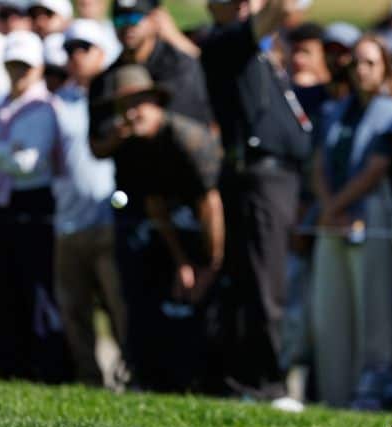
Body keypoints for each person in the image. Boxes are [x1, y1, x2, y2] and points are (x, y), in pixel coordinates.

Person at [88, 0, 213, 390]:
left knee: (186, 299)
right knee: (136, 300)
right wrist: (120, 134)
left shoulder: (181, 67)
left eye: (134, 16)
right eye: (119, 17)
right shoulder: (108, 76)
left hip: (184, 204)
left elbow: (199, 140)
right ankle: (143, 378)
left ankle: (191, 382)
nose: (126, 25)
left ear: (154, 18)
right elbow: (96, 144)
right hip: (134, 202)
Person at [200, 0, 311, 399]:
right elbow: (280, 8)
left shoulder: (255, 49)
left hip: (276, 179)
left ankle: (251, 380)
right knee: (264, 286)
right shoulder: (223, 42)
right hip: (258, 177)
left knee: (264, 283)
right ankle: (267, 384)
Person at [310, 35, 392, 410]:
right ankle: (335, 392)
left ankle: (374, 388)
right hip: (333, 217)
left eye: (370, 63)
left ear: (384, 68)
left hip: (372, 215)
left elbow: (376, 169)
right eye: (356, 63)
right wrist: (329, 207)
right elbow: (320, 163)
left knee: (374, 307)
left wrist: (333, 207)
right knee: (330, 308)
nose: (361, 70)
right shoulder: (336, 111)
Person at [106, 64, 223, 392]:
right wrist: (181, 261)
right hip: (180, 232)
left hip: (217, 230)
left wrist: (209, 268)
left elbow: (211, 205)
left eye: (137, 103)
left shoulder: (187, 138)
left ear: (155, 103)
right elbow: (156, 205)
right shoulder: (139, 144)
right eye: (123, 107)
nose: (131, 113)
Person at [0, 30, 72, 383]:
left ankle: (45, 370)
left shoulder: (45, 107)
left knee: (37, 290)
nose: (18, 71)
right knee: (2, 289)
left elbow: (30, 163)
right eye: (13, 64)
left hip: (34, 205)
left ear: (39, 66)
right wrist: (5, 153)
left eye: (25, 65)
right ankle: (11, 368)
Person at [52, 19, 126, 387]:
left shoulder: (115, 94)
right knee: (74, 311)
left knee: (120, 308)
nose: (75, 57)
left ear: (102, 53)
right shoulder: (57, 101)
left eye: (83, 48)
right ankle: (89, 380)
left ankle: (131, 376)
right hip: (67, 221)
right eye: (69, 50)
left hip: (109, 220)